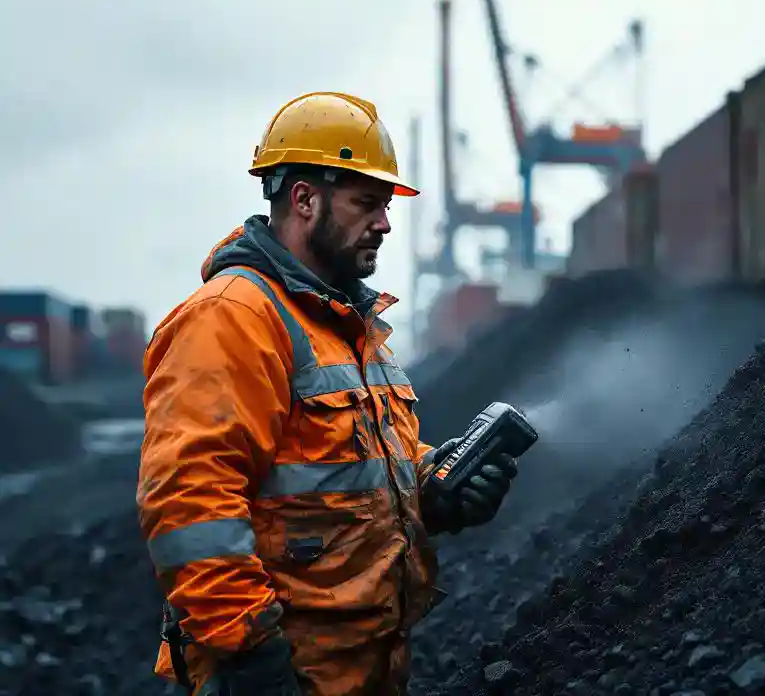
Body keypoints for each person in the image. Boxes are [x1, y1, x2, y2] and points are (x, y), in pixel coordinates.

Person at [137, 91, 519, 696]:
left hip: (359, 671)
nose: (386, 223)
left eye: (386, 204)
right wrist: (257, 668)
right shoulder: (233, 319)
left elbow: (346, 475)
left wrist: (435, 490)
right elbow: (192, 509)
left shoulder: (346, 326)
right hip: (283, 676)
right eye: (367, 202)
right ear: (305, 199)